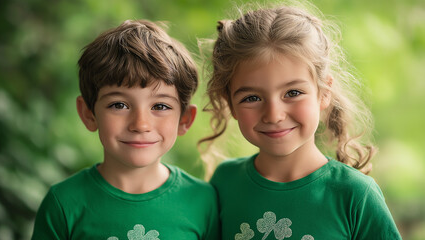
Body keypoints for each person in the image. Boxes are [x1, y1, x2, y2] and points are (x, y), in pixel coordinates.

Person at [200, 2, 402, 239]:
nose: (274, 115)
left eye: (293, 93)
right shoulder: (224, 182)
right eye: (252, 97)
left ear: (324, 92)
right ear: (230, 103)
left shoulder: (355, 194)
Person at [32, 19, 219, 240]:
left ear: (184, 120)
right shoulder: (63, 202)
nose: (140, 124)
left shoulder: (203, 200)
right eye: (119, 105)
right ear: (88, 114)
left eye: (160, 106)